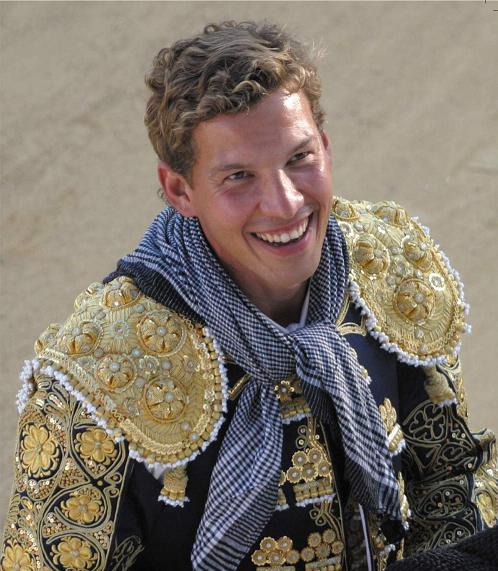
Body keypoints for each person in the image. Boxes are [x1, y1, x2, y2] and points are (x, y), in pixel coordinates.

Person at [1, 20, 497, 571]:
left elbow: (451, 475)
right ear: (180, 190)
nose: (284, 205)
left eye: (299, 158)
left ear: (326, 147)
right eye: (239, 176)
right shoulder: (98, 372)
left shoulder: (387, 265)